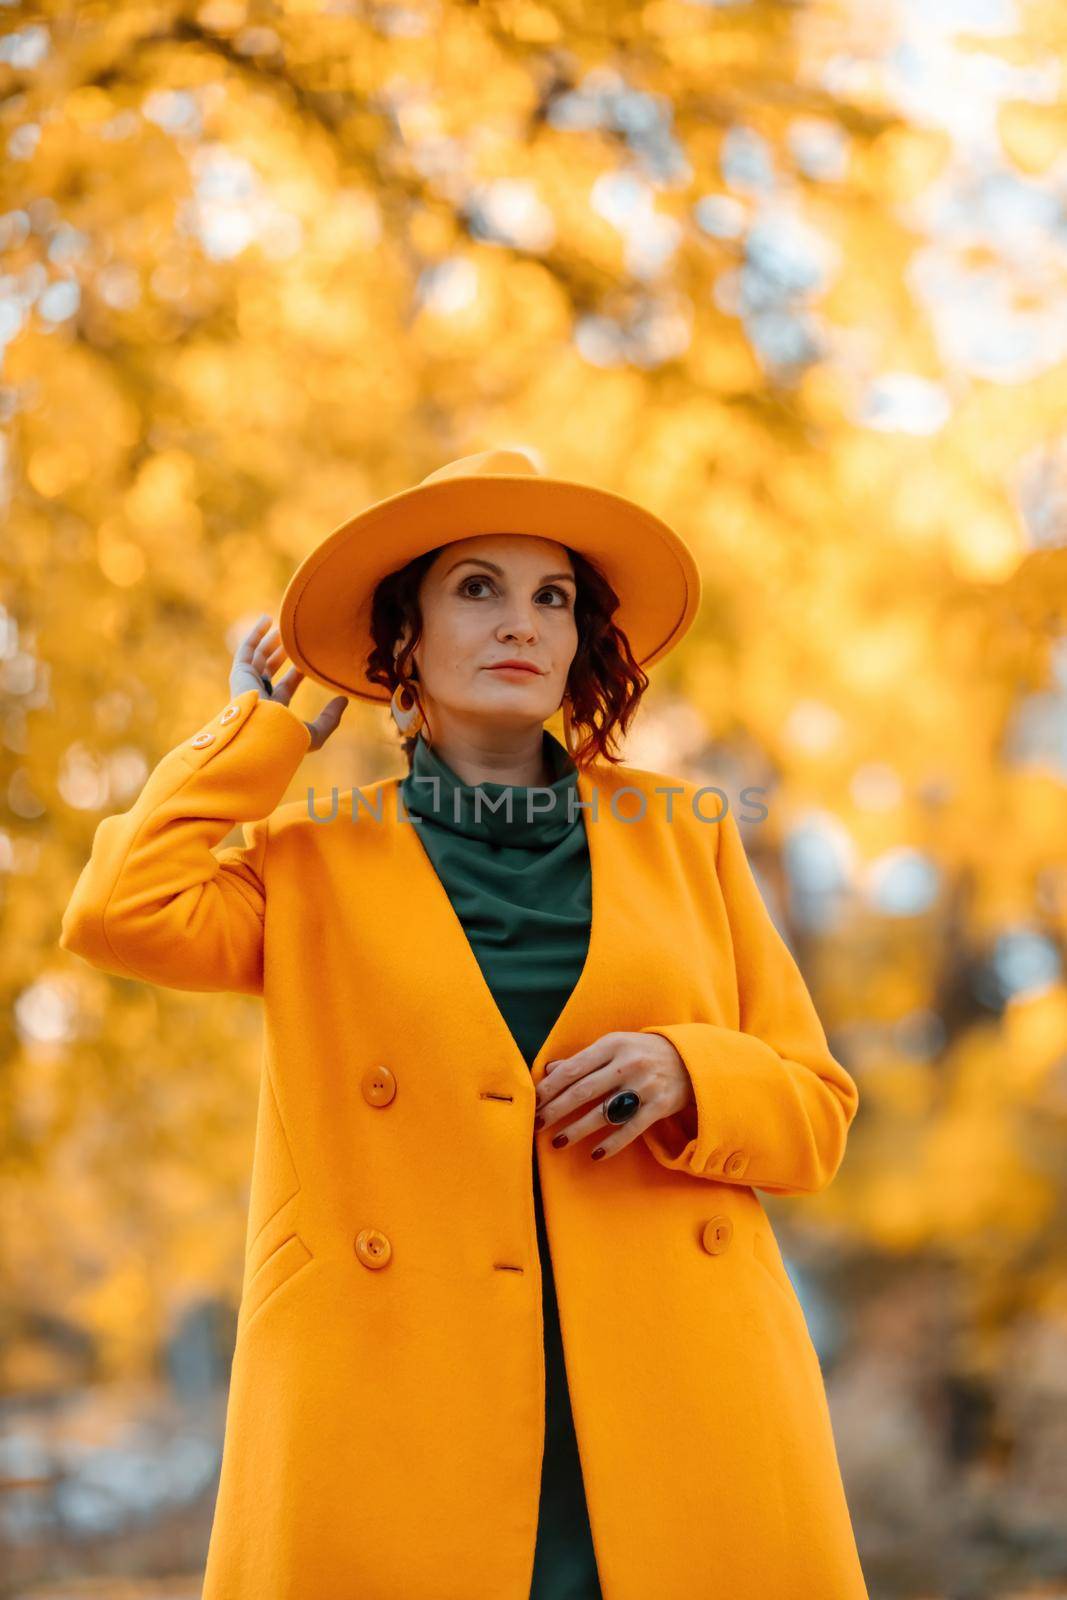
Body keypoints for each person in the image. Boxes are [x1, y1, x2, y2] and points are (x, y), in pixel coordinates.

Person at [59, 448, 870, 1600]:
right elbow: (119, 913)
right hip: (397, 1400)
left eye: (553, 597)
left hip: (676, 1397)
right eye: (478, 588)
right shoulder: (308, 858)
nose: (521, 623)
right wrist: (255, 732)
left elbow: (817, 1112)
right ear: (408, 636)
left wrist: (690, 1067)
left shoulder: (685, 833)